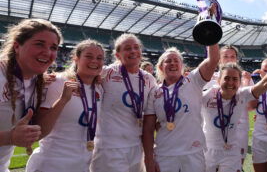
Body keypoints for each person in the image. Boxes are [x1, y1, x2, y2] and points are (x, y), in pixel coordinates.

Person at [203, 41, 267, 172]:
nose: (230, 82)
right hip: (208, 146)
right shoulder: (205, 92)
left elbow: (264, 85)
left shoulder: (242, 93)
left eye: (235, 79)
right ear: (218, 80)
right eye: (226, 78)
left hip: (235, 145)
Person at [25, 40, 105, 172]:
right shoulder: (57, 81)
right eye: (89, 56)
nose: (94, 61)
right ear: (76, 59)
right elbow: (39, 130)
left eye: (99, 58)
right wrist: (63, 100)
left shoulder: (98, 89)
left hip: (82, 166)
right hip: (51, 165)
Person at [142, 44, 219, 172]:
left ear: (182, 66)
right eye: (168, 61)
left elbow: (213, 59)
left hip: (193, 152)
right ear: (161, 67)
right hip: (165, 154)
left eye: (176, 61)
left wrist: (211, 35)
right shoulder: (154, 92)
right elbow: (148, 129)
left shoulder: (193, 80)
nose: (173, 63)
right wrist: (149, 159)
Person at [0, 19, 62, 172]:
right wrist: (10, 137)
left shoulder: (37, 80)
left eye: (53, 47)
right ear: (17, 46)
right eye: (39, 44)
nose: (47, 52)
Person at [90, 34, 157, 172]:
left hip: (136, 147)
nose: (133, 51)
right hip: (109, 148)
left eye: (136, 47)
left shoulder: (148, 78)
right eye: (127, 48)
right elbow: (80, 75)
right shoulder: (106, 73)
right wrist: (52, 77)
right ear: (117, 55)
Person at [203, 45, 256, 166]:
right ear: (219, 59)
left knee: (236, 164)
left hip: (239, 128)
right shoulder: (209, 76)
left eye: (232, 56)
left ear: (237, 59)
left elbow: (250, 107)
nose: (229, 59)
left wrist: (246, 82)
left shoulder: (245, 77)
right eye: (225, 56)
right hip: (212, 130)